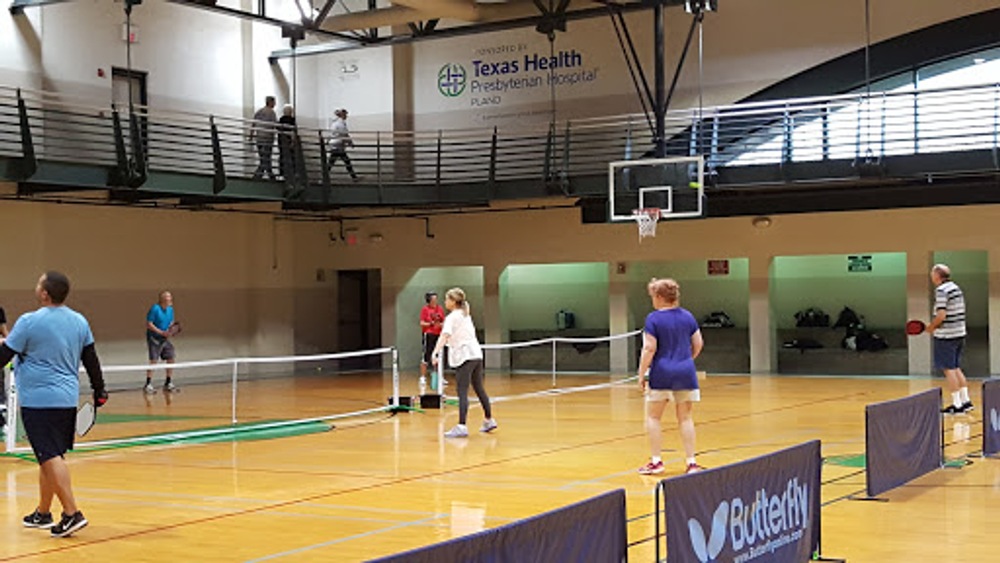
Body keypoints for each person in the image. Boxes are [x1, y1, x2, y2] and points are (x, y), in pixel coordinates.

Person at [0, 271, 107, 538]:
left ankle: (72, 513)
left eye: (39, 283)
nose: (36, 286)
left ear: (45, 293)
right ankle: (43, 513)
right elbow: (91, 358)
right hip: (66, 400)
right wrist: (99, 390)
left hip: (39, 402)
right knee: (50, 457)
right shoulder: (79, 321)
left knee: (48, 456)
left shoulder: (29, 321)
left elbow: (3, 356)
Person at [637, 278, 704, 475]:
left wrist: (641, 374)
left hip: (662, 373)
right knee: (685, 418)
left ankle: (657, 461)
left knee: (653, 417)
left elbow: (649, 348)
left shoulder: (653, 319)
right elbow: (698, 343)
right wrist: (686, 360)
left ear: (659, 297)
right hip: (686, 372)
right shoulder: (688, 317)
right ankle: (691, 463)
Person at [431, 288, 497, 438]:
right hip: (476, 355)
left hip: (464, 356)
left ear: (453, 302)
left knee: (462, 391)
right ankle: (489, 419)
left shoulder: (452, 317)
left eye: (447, 299)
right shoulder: (466, 315)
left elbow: (444, 336)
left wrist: (435, 352)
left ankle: (461, 426)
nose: (445, 302)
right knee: (479, 387)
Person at [926, 264, 973, 414]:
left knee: (949, 369)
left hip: (946, 335)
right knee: (956, 367)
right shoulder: (955, 287)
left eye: (932, 273)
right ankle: (966, 401)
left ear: (937, 275)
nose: (931, 276)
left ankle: (957, 405)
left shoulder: (941, 291)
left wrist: (931, 327)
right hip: (960, 333)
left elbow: (941, 315)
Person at [145, 291, 179, 394]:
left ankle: (168, 383)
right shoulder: (155, 309)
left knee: (171, 357)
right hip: (154, 338)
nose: (171, 300)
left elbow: (171, 322)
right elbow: (149, 324)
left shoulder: (170, 310)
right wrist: (160, 332)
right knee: (153, 361)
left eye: (170, 298)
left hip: (164, 338)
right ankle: (148, 384)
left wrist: (170, 330)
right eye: (169, 298)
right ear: (163, 299)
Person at [420, 292, 445, 384]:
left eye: (436, 299)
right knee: (426, 355)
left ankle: (439, 376)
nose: (435, 301)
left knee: (438, 355)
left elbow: (444, 322)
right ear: (429, 300)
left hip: (438, 335)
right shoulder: (425, 309)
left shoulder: (440, 309)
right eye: (433, 299)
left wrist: (440, 325)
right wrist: (431, 324)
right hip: (429, 334)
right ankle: (423, 377)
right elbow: (422, 323)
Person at [250, 96, 277, 180]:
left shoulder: (259, 112)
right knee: (266, 158)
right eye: (274, 102)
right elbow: (275, 125)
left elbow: (253, 124)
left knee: (263, 158)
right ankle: (261, 176)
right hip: (267, 138)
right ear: (270, 102)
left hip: (259, 138)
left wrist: (251, 136)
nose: (275, 104)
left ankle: (264, 175)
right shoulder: (271, 113)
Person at [327, 108, 358, 181]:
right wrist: (351, 143)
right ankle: (354, 177)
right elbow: (345, 135)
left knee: (332, 163)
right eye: (345, 114)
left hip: (335, 146)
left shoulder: (335, 123)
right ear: (342, 115)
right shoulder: (341, 124)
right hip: (338, 146)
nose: (346, 116)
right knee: (346, 162)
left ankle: (354, 177)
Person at [277, 104, 298, 182]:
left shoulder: (281, 119)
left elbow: (279, 129)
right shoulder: (292, 120)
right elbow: (293, 131)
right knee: (292, 157)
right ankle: (293, 173)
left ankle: (282, 174)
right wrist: (293, 141)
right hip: (289, 140)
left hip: (282, 141)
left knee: (282, 157)